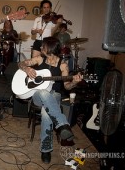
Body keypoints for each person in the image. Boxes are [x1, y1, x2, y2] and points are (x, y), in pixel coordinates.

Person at [17, 36, 82, 164]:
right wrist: (27, 68)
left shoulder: (63, 65)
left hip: (54, 95)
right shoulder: (40, 58)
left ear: (50, 48)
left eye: (43, 46)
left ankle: (45, 150)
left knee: (46, 113)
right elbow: (21, 63)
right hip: (37, 96)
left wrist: (74, 82)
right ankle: (62, 124)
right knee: (42, 91)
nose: (40, 48)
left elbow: (67, 86)